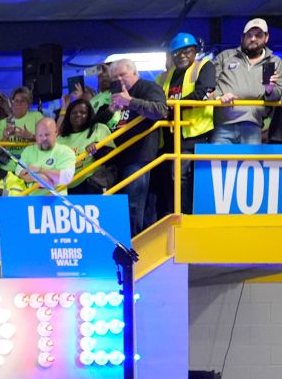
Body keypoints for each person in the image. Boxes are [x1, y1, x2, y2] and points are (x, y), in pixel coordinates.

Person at [156, 33, 215, 213]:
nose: (181, 56)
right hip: (169, 135)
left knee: (182, 177)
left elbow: (204, 92)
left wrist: (174, 108)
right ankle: (173, 214)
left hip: (193, 132)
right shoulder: (164, 77)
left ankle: (184, 216)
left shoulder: (204, 66)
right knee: (170, 179)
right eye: (177, 53)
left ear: (195, 51)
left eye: (186, 51)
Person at [107, 59, 168, 234]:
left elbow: (161, 110)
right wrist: (111, 110)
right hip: (119, 156)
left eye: (122, 75)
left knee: (133, 204)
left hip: (140, 154)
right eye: (114, 77)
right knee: (120, 205)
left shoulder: (148, 87)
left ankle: (134, 244)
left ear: (135, 73)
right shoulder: (115, 95)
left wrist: (130, 101)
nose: (118, 80)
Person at [210, 19, 280, 145]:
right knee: (217, 163)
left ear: (266, 37)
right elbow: (209, 86)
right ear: (242, 37)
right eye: (249, 35)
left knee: (251, 162)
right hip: (223, 125)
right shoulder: (225, 56)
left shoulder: (275, 62)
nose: (253, 39)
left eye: (258, 35)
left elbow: (277, 94)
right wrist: (219, 96)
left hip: (253, 124)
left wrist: (270, 89)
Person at [59, 98, 115, 193]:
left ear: (89, 115)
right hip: (65, 187)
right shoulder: (60, 139)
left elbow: (113, 158)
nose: (78, 115)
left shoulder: (99, 128)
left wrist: (98, 148)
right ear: (68, 116)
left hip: (91, 183)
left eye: (83, 112)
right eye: (74, 112)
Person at [14, 117, 77, 189]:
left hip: (57, 198)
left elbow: (66, 178)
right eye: (40, 135)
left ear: (56, 132)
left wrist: (40, 170)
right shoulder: (28, 150)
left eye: (47, 134)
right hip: (29, 198)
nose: (43, 138)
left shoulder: (65, 151)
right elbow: (19, 174)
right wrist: (43, 178)